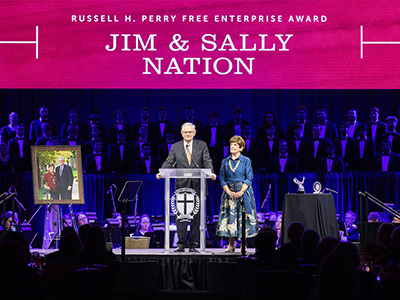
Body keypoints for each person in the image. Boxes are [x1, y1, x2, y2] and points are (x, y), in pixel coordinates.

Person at [156, 122, 216, 252]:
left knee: (196, 217)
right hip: (182, 186)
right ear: (181, 133)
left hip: (198, 185)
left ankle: (193, 245)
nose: (188, 134)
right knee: (181, 216)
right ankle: (181, 244)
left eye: (190, 132)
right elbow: (169, 161)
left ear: (194, 133)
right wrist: (162, 172)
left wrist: (210, 172)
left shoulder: (202, 145)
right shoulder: (176, 147)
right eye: (185, 132)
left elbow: (207, 160)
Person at [216, 135, 258, 252]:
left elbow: (249, 177)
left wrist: (241, 192)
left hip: (243, 193)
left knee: (242, 216)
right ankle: (231, 244)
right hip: (229, 193)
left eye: (235, 145)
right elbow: (222, 178)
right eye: (231, 145)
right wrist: (229, 192)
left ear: (241, 148)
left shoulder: (246, 161)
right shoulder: (225, 161)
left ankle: (243, 244)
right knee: (230, 216)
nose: (232, 147)